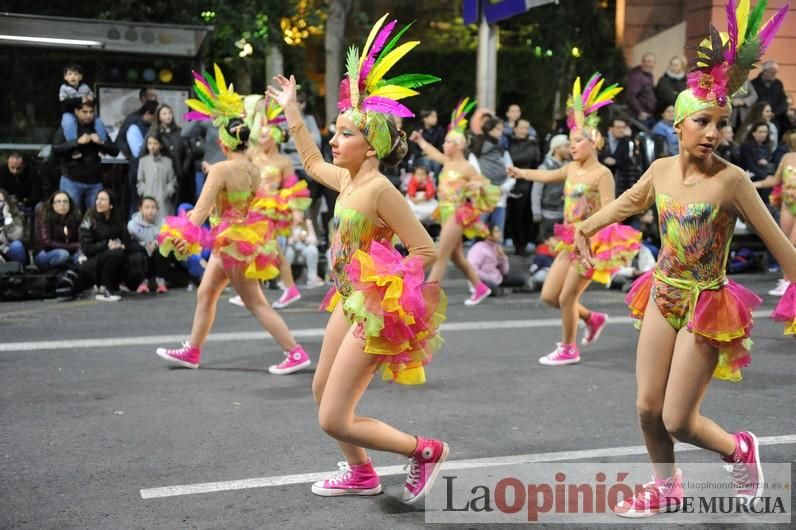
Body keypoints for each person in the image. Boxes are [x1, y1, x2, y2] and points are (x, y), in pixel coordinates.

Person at [573, 3, 795, 516]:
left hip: (707, 304)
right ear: (678, 123)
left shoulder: (733, 180)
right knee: (647, 408)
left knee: (677, 419)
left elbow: (784, 252)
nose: (715, 132)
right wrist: (587, 225)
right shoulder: (660, 170)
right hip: (663, 292)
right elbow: (629, 202)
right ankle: (665, 485)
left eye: (723, 122)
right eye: (704, 121)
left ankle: (738, 448)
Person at [269, 14, 449, 505]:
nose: (333, 139)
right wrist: (292, 109)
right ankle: (362, 473)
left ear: (372, 145)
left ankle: (424, 451)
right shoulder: (349, 181)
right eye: (335, 132)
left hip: (373, 308)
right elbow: (308, 161)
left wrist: (392, 296)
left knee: (334, 416)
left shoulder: (381, 189)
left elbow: (425, 249)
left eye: (344, 134)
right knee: (321, 390)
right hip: (347, 300)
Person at [156, 66, 310, 376]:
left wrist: (180, 233)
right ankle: (192, 351)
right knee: (206, 293)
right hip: (241, 236)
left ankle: (295, 352)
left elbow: (200, 211)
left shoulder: (221, 169)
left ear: (224, 143)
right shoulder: (253, 168)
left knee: (255, 303)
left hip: (229, 241)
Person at [508, 73, 640, 365]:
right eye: (570, 141)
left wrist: (598, 245)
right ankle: (592, 318)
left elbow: (610, 211)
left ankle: (568, 348)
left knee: (567, 298)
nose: (572, 145)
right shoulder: (570, 169)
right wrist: (521, 172)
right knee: (549, 295)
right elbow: (546, 175)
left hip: (589, 243)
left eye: (577, 141)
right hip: (568, 238)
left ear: (594, 143)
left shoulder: (602, 174)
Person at [410, 97, 499, 305]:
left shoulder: (466, 167)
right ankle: (480, 287)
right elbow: (432, 153)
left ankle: (428, 295)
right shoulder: (448, 162)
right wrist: (420, 141)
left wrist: (475, 186)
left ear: (458, 145)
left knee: (440, 253)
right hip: (445, 211)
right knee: (456, 256)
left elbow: (485, 184)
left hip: (458, 213)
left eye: (448, 142)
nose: (444, 144)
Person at [238, 93, 312, 309]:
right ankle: (282, 289)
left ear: (275, 137)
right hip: (253, 206)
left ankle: (277, 289)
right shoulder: (252, 154)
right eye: (259, 134)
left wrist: (296, 211)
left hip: (271, 208)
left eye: (265, 135)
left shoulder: (283, 161)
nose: (261, 137)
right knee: (255, 248)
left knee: (266, 248)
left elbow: (292, 188)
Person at [53, 100, 120, 213]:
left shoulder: (98, 128)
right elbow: (56, 149)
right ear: (76, 111)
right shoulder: (67, 126)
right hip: (71, 179)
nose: (88, 115)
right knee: (70, 215)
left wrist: (101, 143)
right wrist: (77, 142)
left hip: (94, 181)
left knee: (97, 216)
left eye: (91, 112)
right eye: (85, 112)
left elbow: (115, 151)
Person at [753, 131, 796, 296]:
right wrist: (752, 184)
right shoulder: (786, 158)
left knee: (792, 244)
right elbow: (775, 180)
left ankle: (791, 281)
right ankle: (786, 281)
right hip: (788, 206)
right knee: (784, 245)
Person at [79, 189, 129, 302]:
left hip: (110, 256)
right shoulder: (89, 219)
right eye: (97, 199)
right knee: (115, 254)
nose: (99, 202)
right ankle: (104, 289)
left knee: (126, 253)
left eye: (103, 199)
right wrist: (106, 245)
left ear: (111, 205)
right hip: (91, 260)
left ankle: (119, 284)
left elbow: (126, 239)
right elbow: (86, 249)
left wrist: (122, 245)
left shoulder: (118, 219)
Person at [506, 118, 540, 255]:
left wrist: (509, 161)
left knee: (520, 215)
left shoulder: (532, 144)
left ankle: (521, 245)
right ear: (515, 128)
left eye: (526, 128)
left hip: (524, 184)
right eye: (521, 128)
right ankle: (511, 240)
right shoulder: (508, 142)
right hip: (507, 182)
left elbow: (526, 158)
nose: (524, 131)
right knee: (510, 216)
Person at [150, 104, 193, 205]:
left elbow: (188, 153)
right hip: (162, 175)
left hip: (179, 175)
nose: (168, 116)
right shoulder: (155, 133)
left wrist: (184, 170)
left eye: (169, 113)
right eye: (164, 114)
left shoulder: (180, 132)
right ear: (159, 117)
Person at [127, 196, 169, 293]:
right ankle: (142, 282)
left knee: (165, 249)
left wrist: (156, 243)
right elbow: (130, 242)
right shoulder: (132, 225)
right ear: (140, 209)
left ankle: (160, 281)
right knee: (136, 254)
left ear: (157, 209)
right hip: (141, 254)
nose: (150, 211)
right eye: (147, 207)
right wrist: (144, 245)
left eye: (153, 207)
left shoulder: (163, 223)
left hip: (156, 255)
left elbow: (166, 238)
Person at [466, 224, 525, 293]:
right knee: (492, 288)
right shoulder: (478, 248)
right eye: (496, 231)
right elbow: (472, 270)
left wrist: (502, 257)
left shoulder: (496, 247)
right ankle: (499, 290)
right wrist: (489, 278)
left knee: (521, 280)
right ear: (488, 234)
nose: (499, 233)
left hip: (497, 279)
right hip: (482, 280)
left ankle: (501, 290)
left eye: (499, 231)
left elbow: (505, 272)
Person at [532, 134, 569, 241]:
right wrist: (536, 211)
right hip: (548, 214)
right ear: (557, 148)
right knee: (546, 244)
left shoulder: (569, 166)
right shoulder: (545, 167)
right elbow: (536, 191)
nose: (569, 150)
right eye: (566, 147)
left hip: (565, 214)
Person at [58, 64, 108, 142]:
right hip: (69, 112)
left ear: (80, 77)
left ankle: (102, 141)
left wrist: (92, 99)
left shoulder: (85, 87)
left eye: (76, 74)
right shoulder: (63, 88)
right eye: (70, 74)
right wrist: (80, 100)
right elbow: (64, 102)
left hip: (84, 112)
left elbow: (93, 99)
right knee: (68, 123)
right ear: (65, 77)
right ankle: (73, 144)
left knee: (99, 122)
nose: (73, 76)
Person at [34, 191, 81, 270]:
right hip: (46, 253)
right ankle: (52, 273)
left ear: (70, 204)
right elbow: (47, 243)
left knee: (83, 254)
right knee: (63, 254)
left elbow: (81, 239)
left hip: (71, 251)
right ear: (53, 204)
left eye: (65, 202)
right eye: (58, 202)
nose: (62, 204)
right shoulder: (44, 216)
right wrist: (71, 246)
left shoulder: (75, 217)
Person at [137, 134, 177, 215]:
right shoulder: (143, 161)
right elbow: (140, 181)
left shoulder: (168, 162)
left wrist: (166, 193)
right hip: (148, 199)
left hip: (163, 201)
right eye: (150, 143)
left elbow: (172, 181)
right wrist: (145, 192)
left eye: (155, 143)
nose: (152, 146)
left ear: (161, 145)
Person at [284, 210, 325, 288]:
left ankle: (312, 277)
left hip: (303, 251)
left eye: (299, 214)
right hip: (292, 251)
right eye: (296, 214)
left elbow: (314, 240)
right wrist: (295, 238)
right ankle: (286, 279)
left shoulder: (307, 224)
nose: (298, 216)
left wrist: (305, 239)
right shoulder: (287, 226)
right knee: (288, 251)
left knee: (312, 249)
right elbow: (285, 242)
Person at [751, 61, 788, 138]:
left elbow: (783, 101)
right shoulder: (754, 83)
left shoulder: (778, 83)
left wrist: (774, 113)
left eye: (776, 72)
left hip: (775, 118)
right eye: (772, 72)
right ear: (765, 71)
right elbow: (752, 102)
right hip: (758, 119)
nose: (775, 74)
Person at [627, 52, 657, 128]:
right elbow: (631, 96)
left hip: (648, 115)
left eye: (650, 61)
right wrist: (640, 112)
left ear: (654, 64)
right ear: (642, 63)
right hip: (641, 116)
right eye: (645, 61)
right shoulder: (637, 76)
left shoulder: (649, 76)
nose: (647, 64)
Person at [0, 189, 26, 266]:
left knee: (17, 245)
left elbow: (17, 236)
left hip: (8, 250)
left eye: (1, 201)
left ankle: (18, 275)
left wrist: (7, 217)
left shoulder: (14, 214)